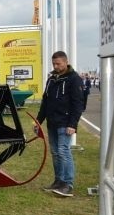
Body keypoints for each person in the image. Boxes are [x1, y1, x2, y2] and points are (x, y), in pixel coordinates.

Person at [34, 51, 84, 198]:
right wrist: (39, 121)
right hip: (52, 123)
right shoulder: (51, 80)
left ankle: (68, 184)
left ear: (66, 62)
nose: (56, 66)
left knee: (63, 151)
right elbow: (45, 102)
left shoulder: (74, 80)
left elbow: (78, 104)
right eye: (54, 64)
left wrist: (72, 124)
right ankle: (58, 181)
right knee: (55, 153)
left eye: (58, 64)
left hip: (66, 123)